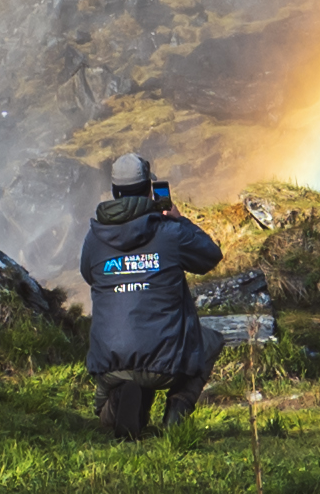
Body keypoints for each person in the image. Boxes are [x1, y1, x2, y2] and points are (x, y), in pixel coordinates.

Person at [77, 153, 223, 440]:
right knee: (210, 341)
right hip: (164, 361)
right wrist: (181, 221)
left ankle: (117, 404)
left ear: (115, 192)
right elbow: (210, 256)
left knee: (124, 380)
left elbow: (89, 276)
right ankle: (176, 416)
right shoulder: (170, 232)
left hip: (110, 362)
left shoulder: (94, 238)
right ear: (149, 191)